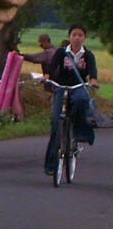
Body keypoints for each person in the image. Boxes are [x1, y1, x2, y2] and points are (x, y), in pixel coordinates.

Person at [43, 24, 98, 174]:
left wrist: (93, 80)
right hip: (61, 87)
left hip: (78, 86)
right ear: (69, 37)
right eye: (74, 35)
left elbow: (92, 71)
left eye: (80, 35)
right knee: (56, 124)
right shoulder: (62, 52)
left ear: (84, 38)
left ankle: (79, 131)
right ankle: (51, 166)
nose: (77, 38)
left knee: (81, 101)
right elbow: (52, 66)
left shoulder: (88, 55)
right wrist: (46, 77)